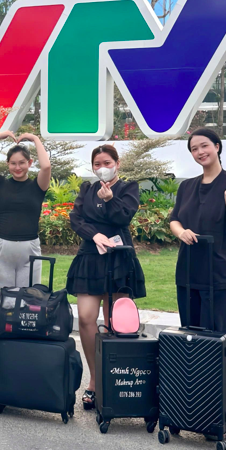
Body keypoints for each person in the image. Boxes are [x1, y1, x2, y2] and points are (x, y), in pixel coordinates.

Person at [170, 128, 226, 433]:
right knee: (192, 344)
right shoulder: (187, 187)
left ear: (217, 147)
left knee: (222, 345)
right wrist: (180, 232)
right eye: (194, 149)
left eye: (204, 146)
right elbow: (175, 219)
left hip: (222, 276)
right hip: (189, 275)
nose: (200, 152)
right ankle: (194, 409)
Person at [66, 144, 146, 410]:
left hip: (118, 258)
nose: (102, 168)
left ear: (117, 163)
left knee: (116, 323)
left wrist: (111, 199)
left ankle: (115, 379)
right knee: (86, 317)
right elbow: (76, 219)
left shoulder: (128, 188)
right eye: (97, 164)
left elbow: (124, 217)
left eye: (107, 163)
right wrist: (95, 235)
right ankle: (95, 379)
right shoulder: (87, 190)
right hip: (90, 257)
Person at [0, 131, 51, 353]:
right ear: (7, 164)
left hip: (30, 248)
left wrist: (35, 139)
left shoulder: (38, 185)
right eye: (13, 163)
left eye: (22, 163)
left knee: (30, 302)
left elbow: (46, 166)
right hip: (1, 248)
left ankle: (24, 355)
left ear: (29, 163)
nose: (17, 167)